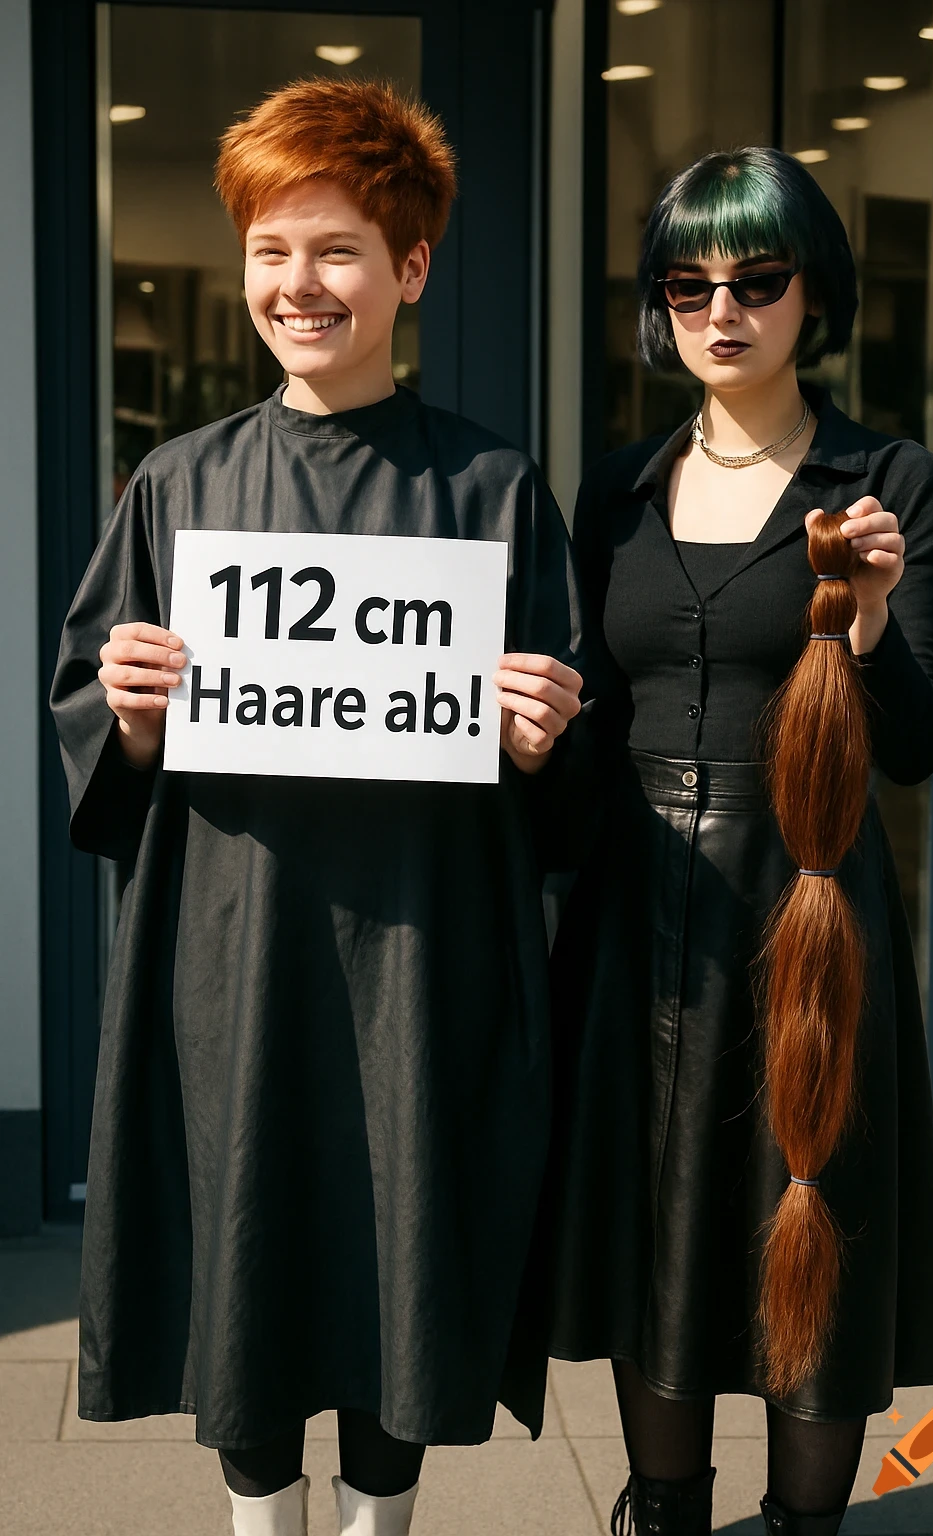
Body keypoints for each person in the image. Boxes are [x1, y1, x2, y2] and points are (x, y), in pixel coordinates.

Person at [50, 77, 584, 1536]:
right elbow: (92, 738)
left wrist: (543, 736)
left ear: (409, 271)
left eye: (339, 249)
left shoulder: (490, 490)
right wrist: (132, 710)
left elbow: (560, 770)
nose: (301, 284)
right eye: (272, 249)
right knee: (249, 1252)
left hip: (421, 960)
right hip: (235, 956)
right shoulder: (177, 485)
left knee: (400, 1261)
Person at [541, 147, 933, 1536]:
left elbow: (919, 741)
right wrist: (530, 743)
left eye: (758, 279)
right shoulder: (613, 490)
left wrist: (880, 624)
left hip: (811, 903)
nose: (722, 309)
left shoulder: (889, 482)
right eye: (689, 281)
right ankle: (659, 1511)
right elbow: (587, 755)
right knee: (661, 1228)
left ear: (812, 295)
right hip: (642, 922)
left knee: (810, 1220)